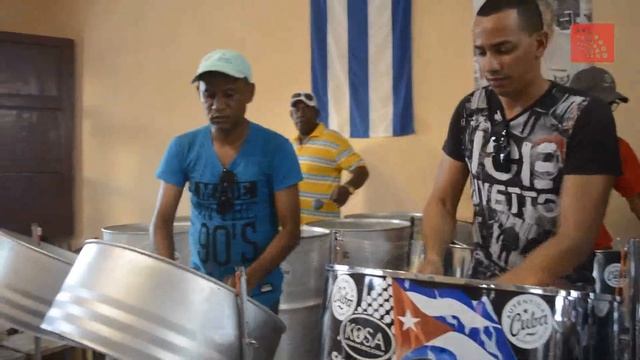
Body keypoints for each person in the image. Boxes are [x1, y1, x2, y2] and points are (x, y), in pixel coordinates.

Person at [418, 0, 621, 288]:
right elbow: (441, 200)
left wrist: (501, 290)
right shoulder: (471, 110)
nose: (491, 65)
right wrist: (434, 258)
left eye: (504, 49)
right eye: (481, 52)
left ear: (539, 44)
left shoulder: (584, 115)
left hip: (556, 306)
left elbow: (576, 236)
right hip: (485, 297)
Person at [151, 49, 302, 312]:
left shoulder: (276, 149)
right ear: (199, 93)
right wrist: (170, 275)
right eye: (209, 94)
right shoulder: (183, 147)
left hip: (259, 294)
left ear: (250, 93)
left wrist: (249, 279)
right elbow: (162, 220)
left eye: (229, 94)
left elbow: (290, 230)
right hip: (202, 291)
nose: (218, 105)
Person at [569, 66, 640, 249]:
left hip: (592, 254)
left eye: (610, 105)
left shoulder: (617, 148)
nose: (605, 113)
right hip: (535, 256)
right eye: (598, 106)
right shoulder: (541, 143)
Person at [289, 92, 369, 224]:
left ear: (317, 113)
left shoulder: (333, 140)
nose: (300, 113)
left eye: (306, 108)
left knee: (337, 244)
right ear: (291, 115)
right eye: (296, 109)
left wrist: (347, 188)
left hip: (325, 228)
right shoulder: (290, 146)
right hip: (294, 230)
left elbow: (361, 170)